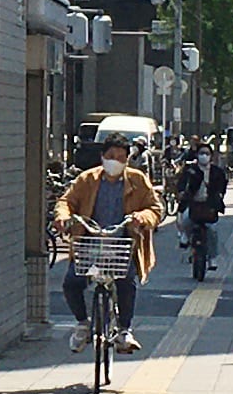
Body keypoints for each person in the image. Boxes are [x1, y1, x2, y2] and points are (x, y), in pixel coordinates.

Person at [53, 133, 164, 354]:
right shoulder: (87, 180)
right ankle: (83, 323)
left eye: (121, 158)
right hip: (89, 243)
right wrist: (63, 217)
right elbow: (66, 201)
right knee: (72, 283)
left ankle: (124, 329)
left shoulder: (137, 180)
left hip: (123, 244)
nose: (116, 161)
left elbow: (155, 208)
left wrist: (142, 218)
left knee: (126, 282)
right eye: (111, 156)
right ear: (102, 156)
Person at [172, 143, 223, 280]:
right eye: (202, 153)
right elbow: (181, 184)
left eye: (207, 153)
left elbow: (222, 187)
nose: (204, 156)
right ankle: (185, 237)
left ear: (211, 156)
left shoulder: (217, 172)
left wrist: (219, 196)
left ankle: (212, 258)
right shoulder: (190, 170)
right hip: (192, 204)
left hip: (209, 206)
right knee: (186, 219)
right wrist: (182, 193)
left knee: (212, 231)